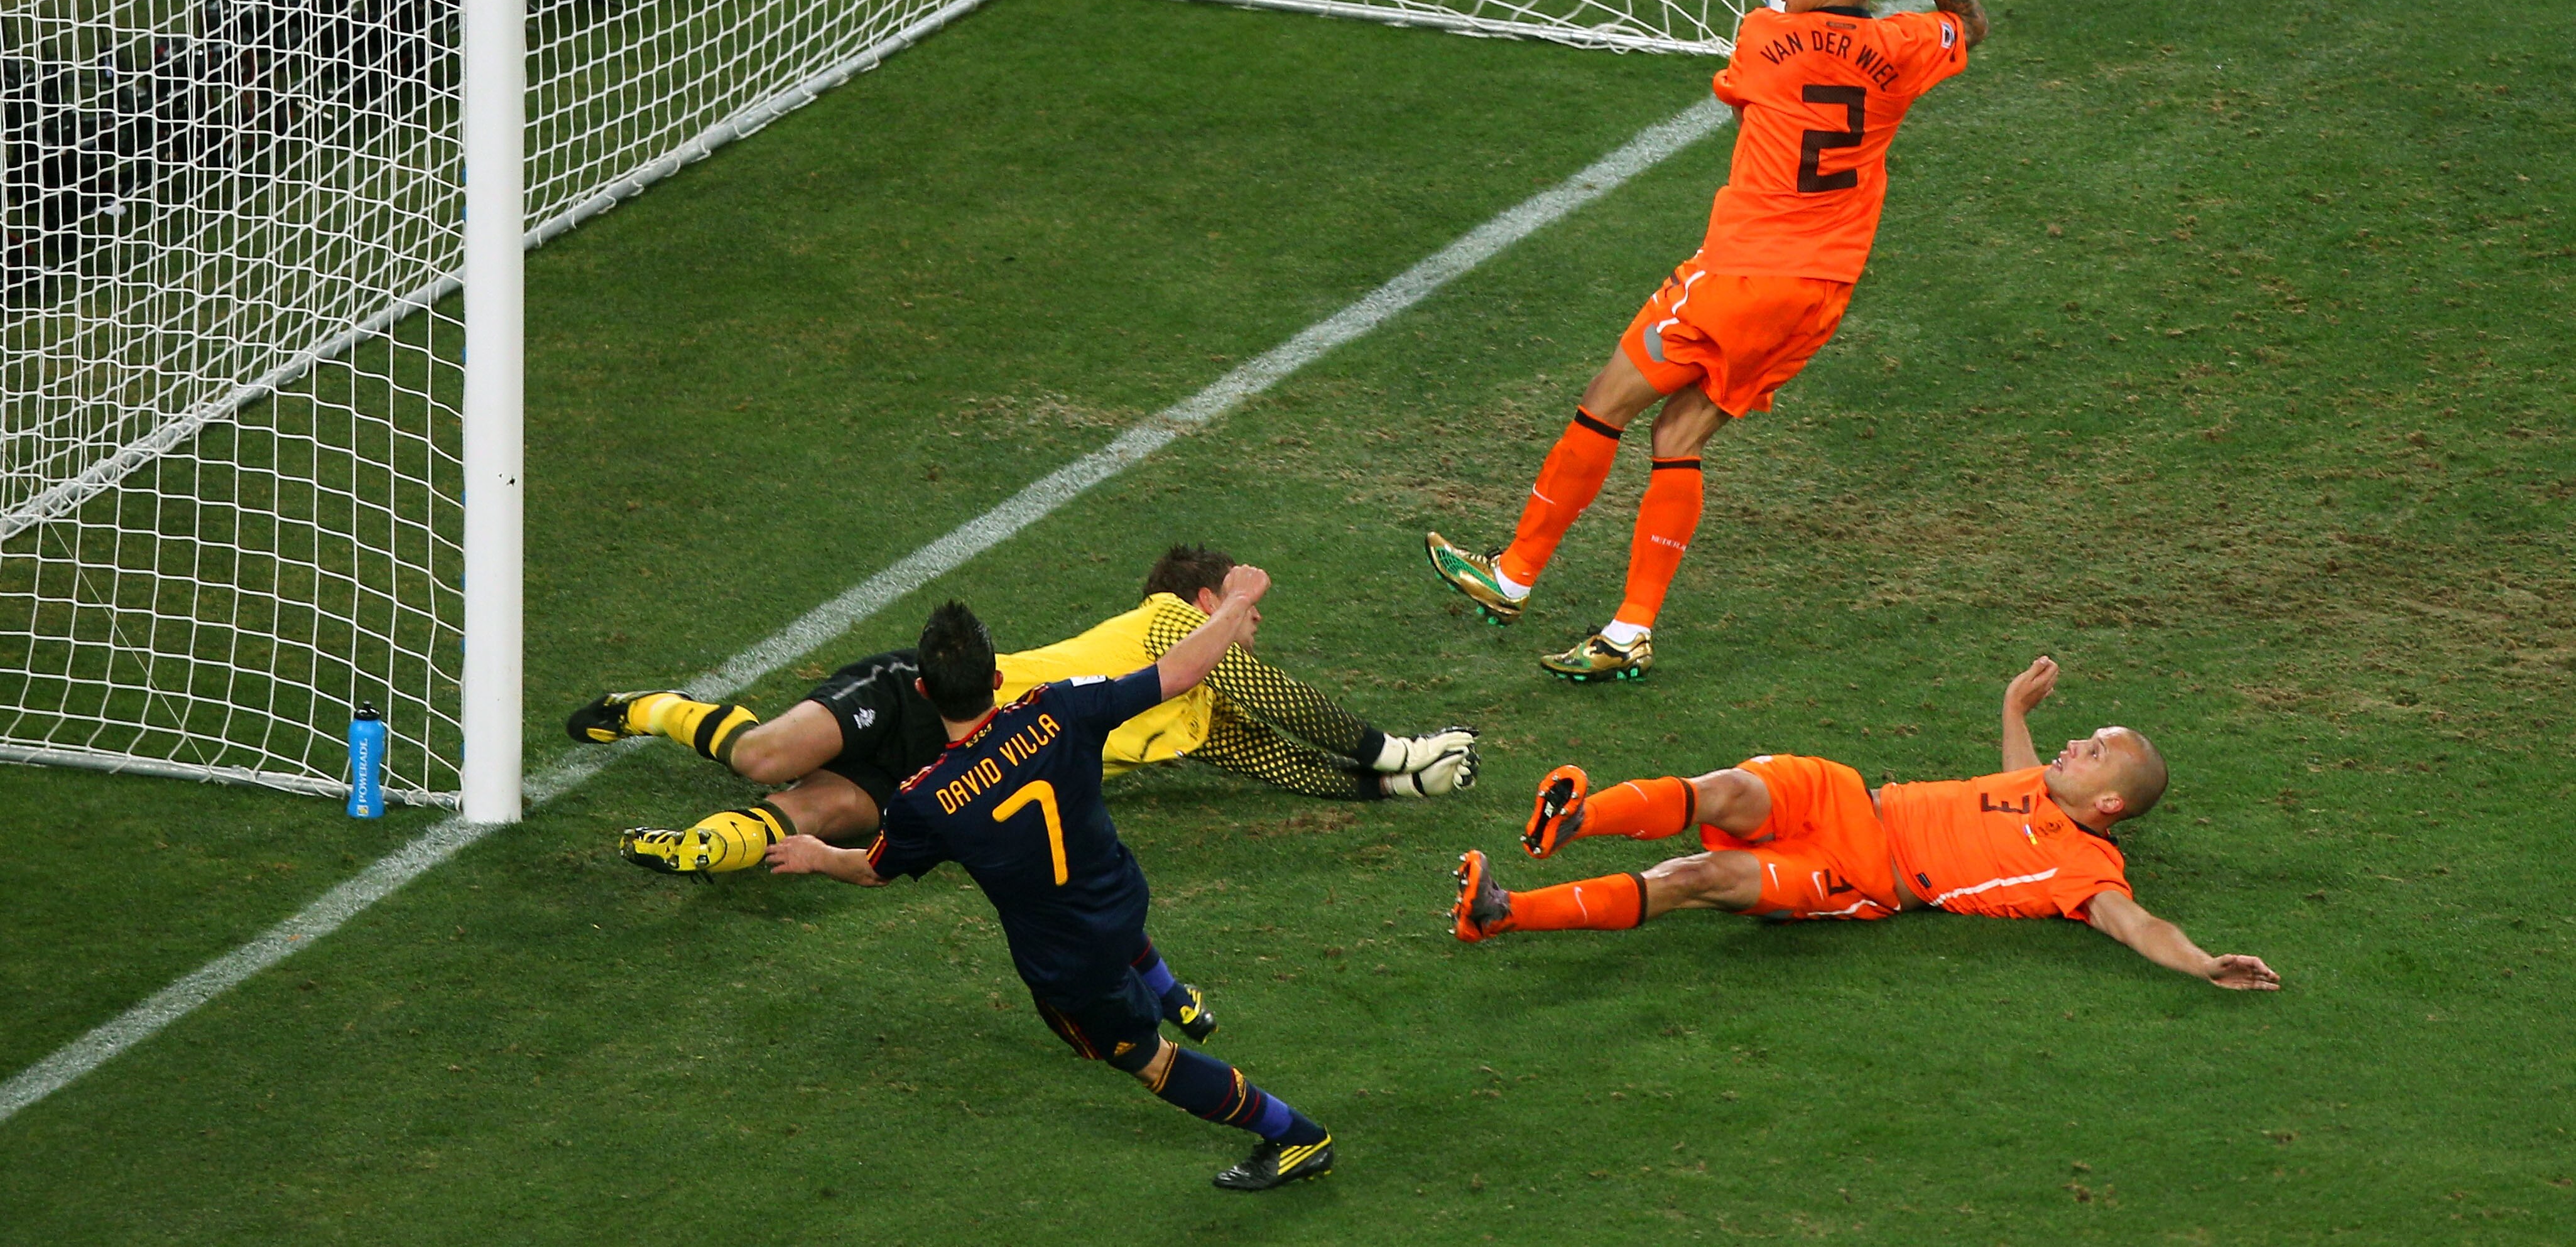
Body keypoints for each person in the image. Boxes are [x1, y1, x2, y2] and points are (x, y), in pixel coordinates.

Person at [1425, 0, 1991, 680]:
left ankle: (1515, 572)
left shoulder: (1764, 33)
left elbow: (1742, 93)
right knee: (1677, 438)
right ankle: (1629, 632)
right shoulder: (1905, 44)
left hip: (1740, 271)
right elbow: (1971, 24)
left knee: (1607, 401)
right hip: (1819, 294)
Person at [765, 580, 1337, 1191]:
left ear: (925, 690)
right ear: (995, 678)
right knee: (1107, 920)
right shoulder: (1060, 707)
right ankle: (1173, 996)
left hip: (1072, 964)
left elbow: (872, 870)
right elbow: (1177, 672)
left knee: (1148, 1061)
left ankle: (1297, 1137)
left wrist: (817, 853)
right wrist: (1230, 604)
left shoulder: (924, 801)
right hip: (1123, 896)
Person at [576, 544, 1477, 881]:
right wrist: (1398, 747)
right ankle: (651, 708)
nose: (1255, 633)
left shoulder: (1197, 716)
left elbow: (1275, 759)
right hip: (922, 692)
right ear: (1201, 602)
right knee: (767, 758)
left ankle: (697, 847)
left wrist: (1393, 791)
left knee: (822, 812)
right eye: (1241, 618)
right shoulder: (1167, 624)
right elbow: (1289, 701)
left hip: (959, 764)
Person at [1448, 655, 2280, 991]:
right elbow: (2007, 776)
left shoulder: (2081, 868)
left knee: (1699, 879)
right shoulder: (2036, 786)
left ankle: (1503, 910)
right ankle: (1576, 816)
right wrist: (2009, 705)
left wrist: (2204, 962)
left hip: (1861, 875)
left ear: (2108, 807)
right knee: (1730, 788)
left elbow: (2135, 924)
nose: (2076, 742)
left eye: (2095, 750)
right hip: (1848, 797)